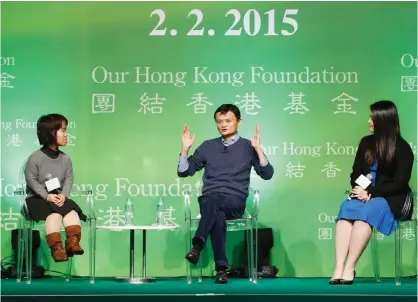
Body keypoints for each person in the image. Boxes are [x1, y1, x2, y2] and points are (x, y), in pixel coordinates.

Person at [177, 104, 274, 284]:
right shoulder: (207, 146)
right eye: (219, 121)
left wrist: (258, 149)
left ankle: (197, 245)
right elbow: (185, 172)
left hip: (234, 201)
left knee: (212, 203)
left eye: (228, 121)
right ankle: (221, 270)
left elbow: (267, 174)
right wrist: (185, 149)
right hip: (211, 201)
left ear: (238, 121)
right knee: (217, 215)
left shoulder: (248, 146)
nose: (223, 125)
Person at [330, 100, 414, 285]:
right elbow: (356, 173)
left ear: (383, 120)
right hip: (365, 193)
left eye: (372, 117)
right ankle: (338, 267)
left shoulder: (402, 148)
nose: (369, 121)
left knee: (364, 215)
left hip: (392, 198)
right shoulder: (366, 143)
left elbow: (400, 183)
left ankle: (350, 267)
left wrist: (372, 193)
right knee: (346, 210)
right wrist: (362, 189)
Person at [24, 114, 86, 262]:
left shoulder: (66, 159)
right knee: (55, 215)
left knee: (71, 211)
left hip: (57, 198)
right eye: (63, 130)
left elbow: (69, 179)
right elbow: (31, 179)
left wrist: (64, 195)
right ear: (51, 133)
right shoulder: (36, 157)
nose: (66, 134)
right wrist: (47, 196)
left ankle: (72, 243)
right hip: (38, 199)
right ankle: (56, 249)